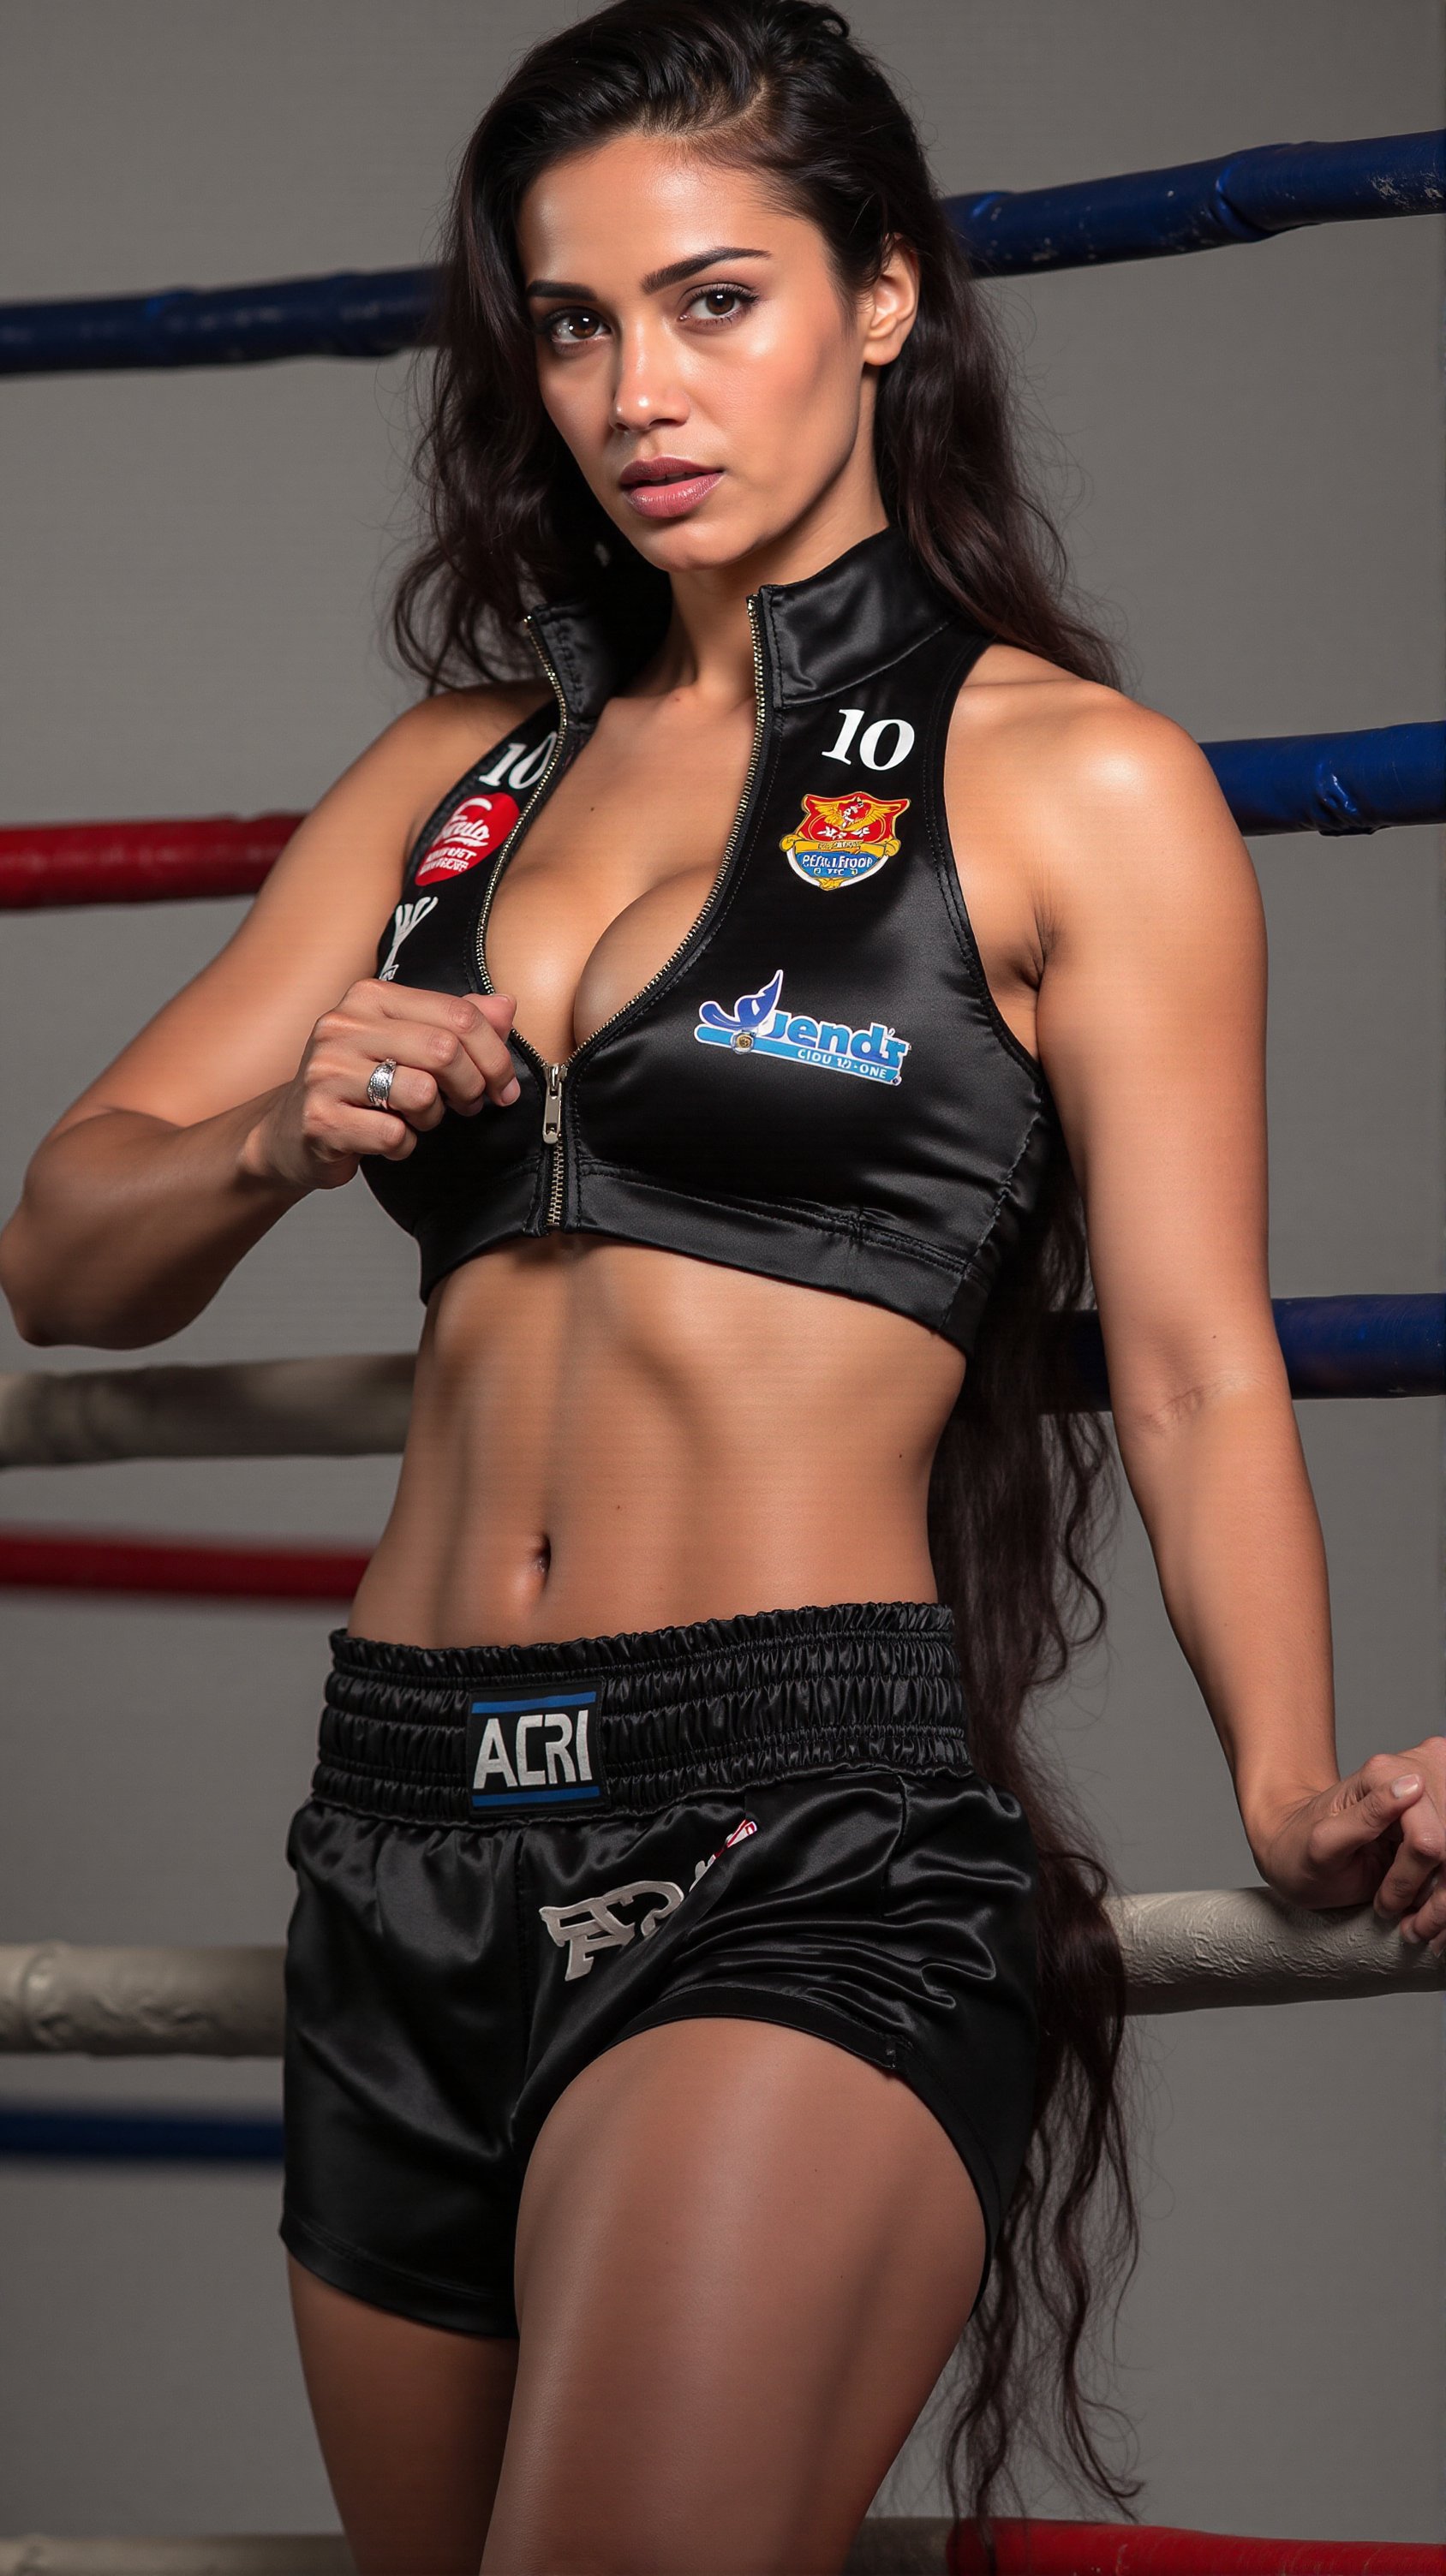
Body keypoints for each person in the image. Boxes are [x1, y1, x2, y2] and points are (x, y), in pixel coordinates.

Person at [4, 6, 1443, 2571]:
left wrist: (1295, 1783)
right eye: (573, 323)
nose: (637, 389)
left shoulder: (1070, 780)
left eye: (715, 301)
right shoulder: (458, 773)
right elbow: (64, 1249)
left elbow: (1207, 1366)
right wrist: (271, 1132)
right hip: (398, 1832)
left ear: (885, 298)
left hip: (789, 1826)